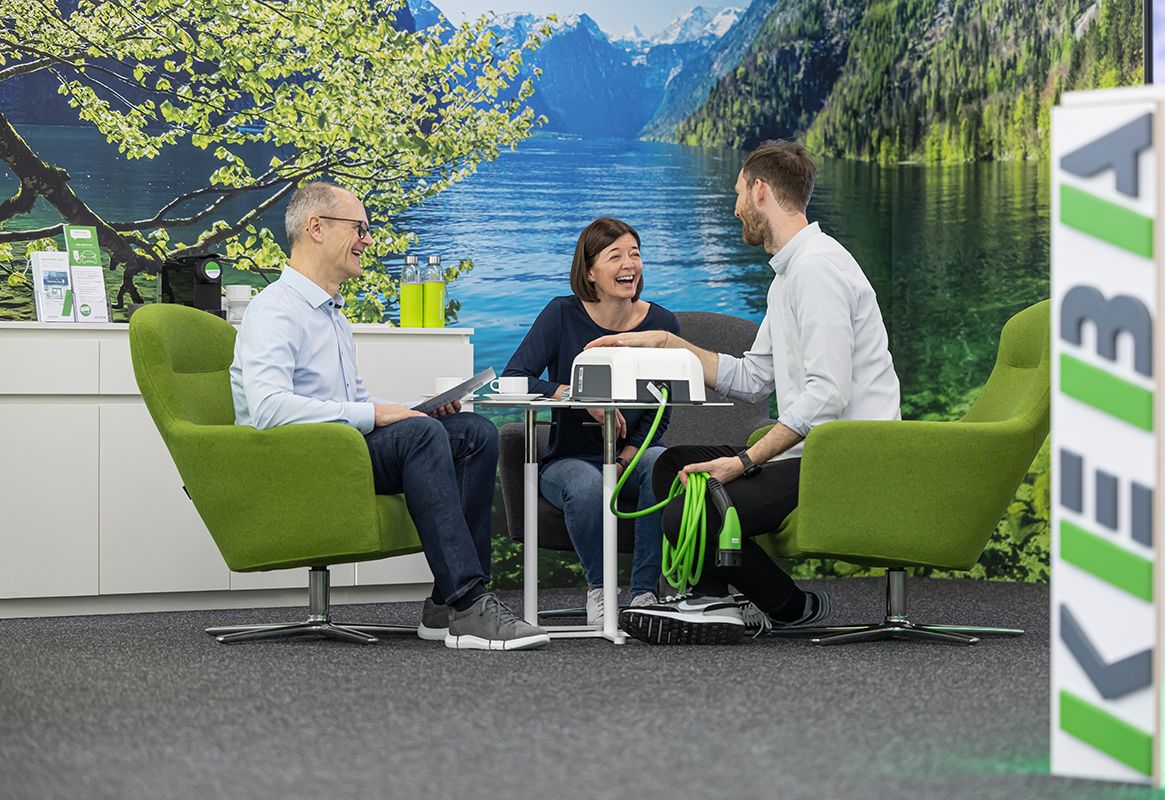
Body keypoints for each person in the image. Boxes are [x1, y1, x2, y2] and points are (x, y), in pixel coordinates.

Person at [587, 141, 902, 644]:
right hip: (812, 452)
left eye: (737, 193)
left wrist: (744, 461)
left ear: (759, 191)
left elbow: (828, 393)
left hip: (845, 458)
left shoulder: (817, 270)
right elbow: (754, 377)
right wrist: (667, 343)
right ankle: (726, 601)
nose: (734, 207)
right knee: (672, 467)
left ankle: (778, 606)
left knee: (688, 507)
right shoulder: (789, 276)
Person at [230, 181, 549, 651]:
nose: (368, 239)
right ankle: (469, 605)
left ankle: (445, 604)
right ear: (316, 228)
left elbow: (354, 402)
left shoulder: (332, 316)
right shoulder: (274, 310)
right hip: (299, 459)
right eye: (359, 228)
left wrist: (413, 413)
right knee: (422, 435)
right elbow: (269, 408)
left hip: (342, 449)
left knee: (473, 432)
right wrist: (380, 415)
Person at [503, 217, 681, 625]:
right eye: (615, 256)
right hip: (568, 461)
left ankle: (644, 593)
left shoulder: (662, 327)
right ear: (589, 272)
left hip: (632, 456)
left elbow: (661, 410)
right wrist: (579, 397)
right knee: (586, 484)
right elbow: (515, 377)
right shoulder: (561, 314)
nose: (629, 264)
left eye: (635, 254)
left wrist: (624, 459)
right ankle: (600, 590)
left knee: (661, 463)